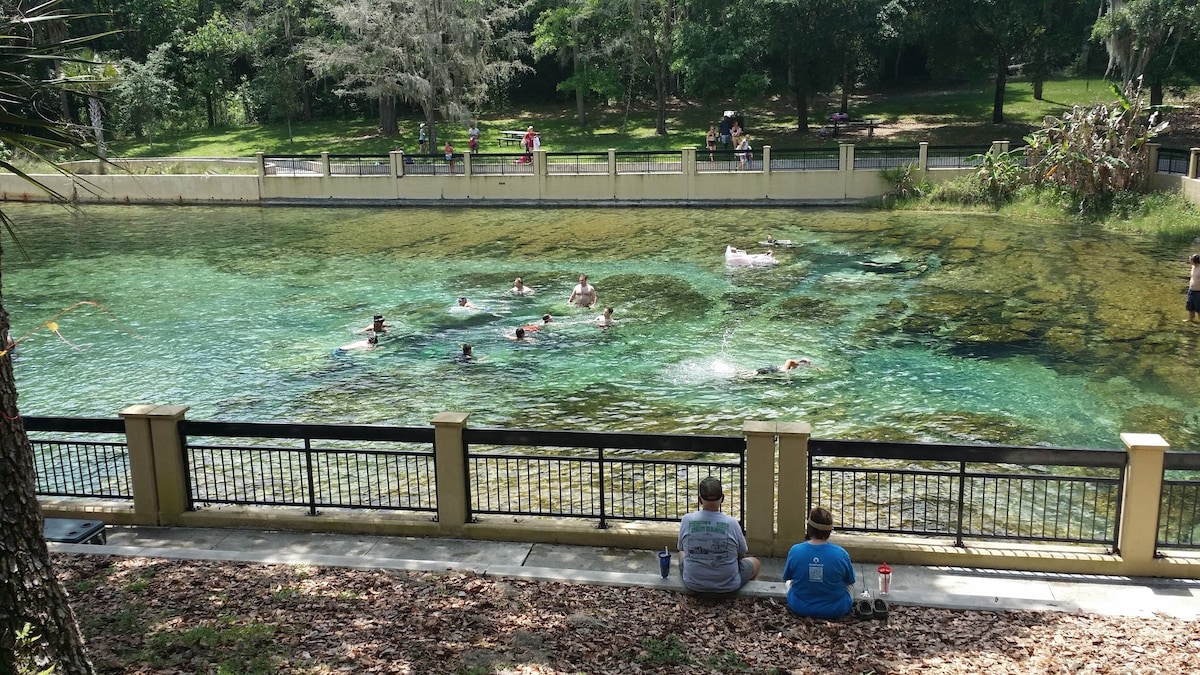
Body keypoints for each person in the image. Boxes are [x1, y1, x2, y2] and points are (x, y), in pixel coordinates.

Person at [677, 476, 760, 594]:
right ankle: (747, 596)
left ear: (700, 500)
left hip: (693, 583)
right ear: (722, 499)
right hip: (728, 584)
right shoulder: (732, 523)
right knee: (755, 562)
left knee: (681, 553)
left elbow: (681, 548)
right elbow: (741, 554)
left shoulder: (686, 520)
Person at [782, 507, 855, 620]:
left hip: (799, 606)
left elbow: (787, 577)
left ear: (809, 528)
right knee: (850, 586)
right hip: (836, 609)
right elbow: (850, 580)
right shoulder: (841, 554)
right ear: (829, 532)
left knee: (789, 582)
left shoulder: (795, 551)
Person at [1188, 254, 1200, 323]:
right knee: (1190, 306)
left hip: (1198, 292)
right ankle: (1190, 320)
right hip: (1191, 290)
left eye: (1191, 260)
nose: (1189, 261)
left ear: (1195, 261)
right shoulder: (1193, 266)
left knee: (1199, 309)